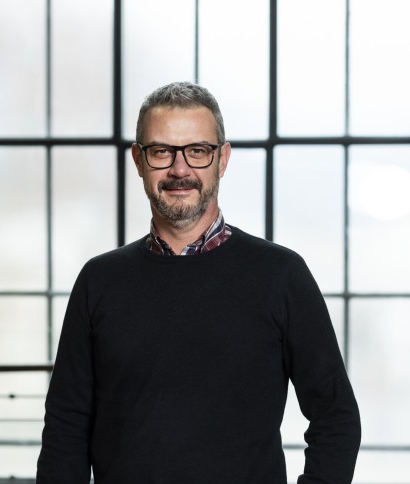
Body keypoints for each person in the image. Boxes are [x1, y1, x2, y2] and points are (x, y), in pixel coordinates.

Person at [37, 81, 361, 483]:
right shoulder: (98, 281)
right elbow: (65, 428)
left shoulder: (282, 275)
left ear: (222, 159)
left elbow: (336, 415)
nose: (180, 169)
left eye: (198, 150)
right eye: (161, 151)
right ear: (138, 160)